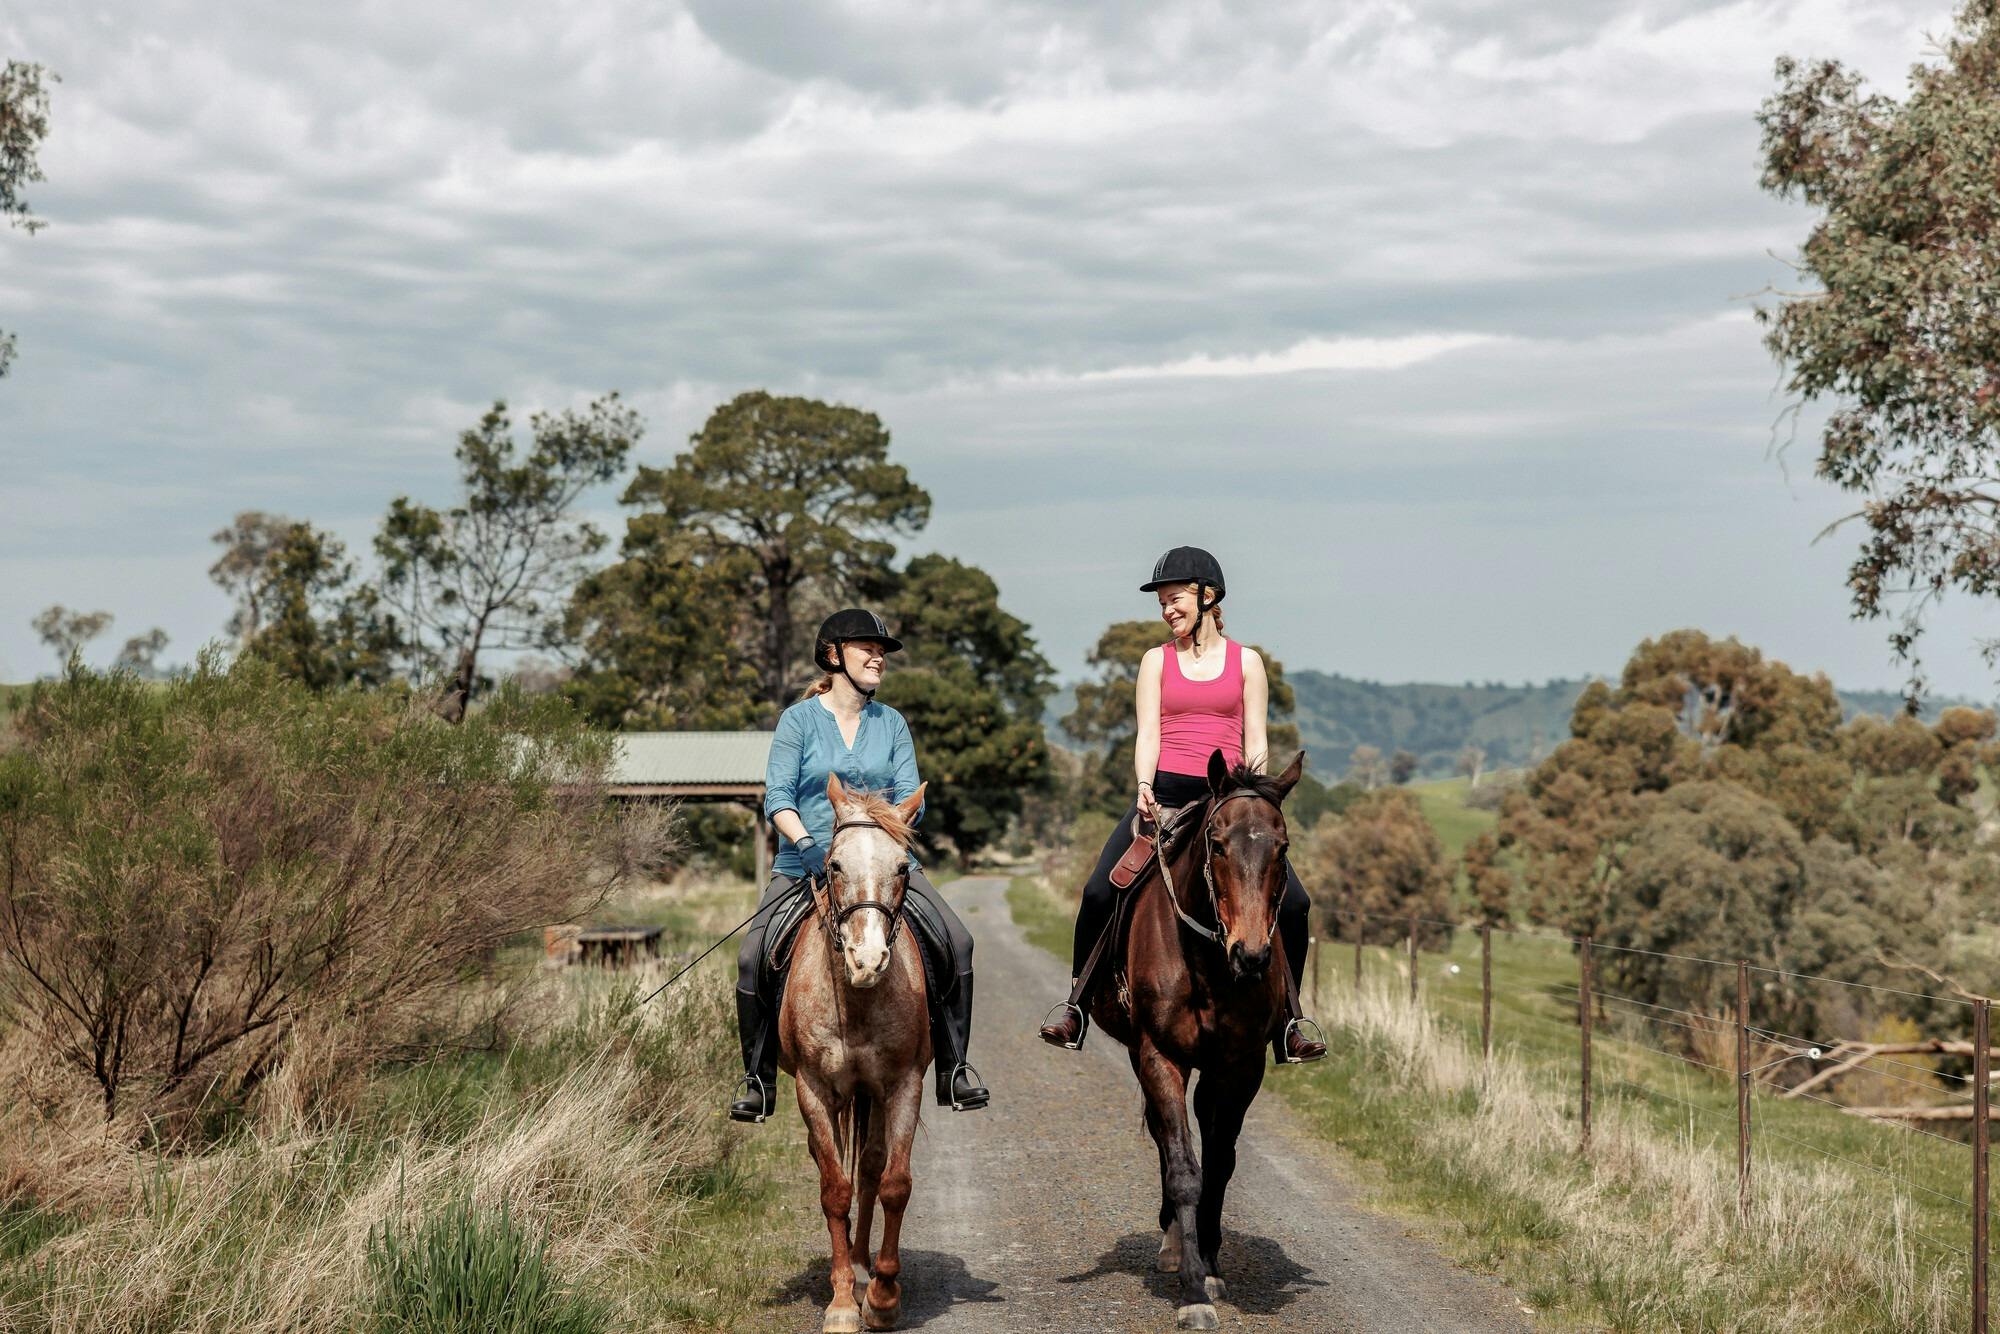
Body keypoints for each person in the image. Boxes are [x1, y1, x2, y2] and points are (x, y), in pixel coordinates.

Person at [1037, 546, 1327, 1062]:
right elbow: (1149, 732)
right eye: (1163, 603)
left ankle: (1290, 1020)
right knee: (1099, 892)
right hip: (1165, 799)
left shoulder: (1247, 662)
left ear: (1206, 596)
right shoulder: (1155, 661)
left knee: (1297, 904)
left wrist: (1254, 801)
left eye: (1175, 600)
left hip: (1228, 802)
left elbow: (1255, 739)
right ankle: (1076, 1004)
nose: (1167, 610)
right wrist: (1143, 785)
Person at [729, 607, 990, 1124]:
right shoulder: (798, 721)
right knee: (751, 954)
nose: (878, 657)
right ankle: (758, 1079)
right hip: (802, 863)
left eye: (883, 651)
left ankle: (954, 1069)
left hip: (886, 865)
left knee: (958, 941)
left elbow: (914, 796)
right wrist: (806, 843)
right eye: (867, 648)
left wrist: (879, 835)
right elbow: (777, 796)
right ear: (833, 655)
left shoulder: (891, 723)